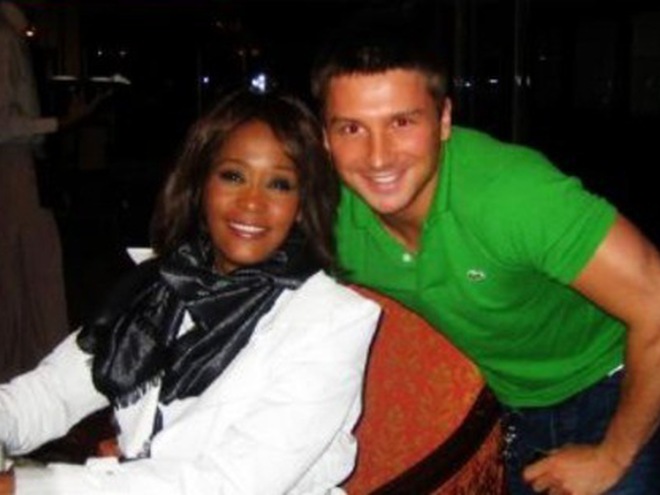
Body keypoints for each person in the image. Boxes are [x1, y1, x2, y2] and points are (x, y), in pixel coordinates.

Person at [310, 11, 660, 495]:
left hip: (622, 385)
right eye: (351, 128)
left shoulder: (513, 196)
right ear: (324, 139)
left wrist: (613, 456)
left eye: (402, 122)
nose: (378, 156)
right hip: (513, 407)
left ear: (443, 121)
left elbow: (656, 301)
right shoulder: (325, 216)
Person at [0, 88, 380, 494]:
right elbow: (51, 394)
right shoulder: (160, 286)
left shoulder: (331, 321)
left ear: (302, 204)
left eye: (280, 184)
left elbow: (232, 484)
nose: (252, 202)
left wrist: (24, 487)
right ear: (201, 183)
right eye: (233, 176)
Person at [0, 1, 104, 382]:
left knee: (26, 273)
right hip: (11, 167)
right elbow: (4, 124)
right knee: (25, 275)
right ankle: (32, 377)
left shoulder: (14, 36)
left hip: (22, 165)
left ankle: (30, 376)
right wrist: (61, 122)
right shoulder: (5, 39)